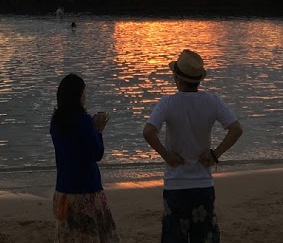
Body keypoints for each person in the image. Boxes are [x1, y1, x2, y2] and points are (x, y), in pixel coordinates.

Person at [143, 49, 243, 243]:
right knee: (204, 237)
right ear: (198, 80)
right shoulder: (212, 101)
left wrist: (166, 155)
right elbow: (236, 129)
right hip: (203, 183)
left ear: (177, 79)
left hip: (175, 184)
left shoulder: (167, 103)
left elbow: (148, 132)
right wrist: (215, 155)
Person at [50, 73, 119, 243]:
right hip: (87, 191)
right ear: (78, 96)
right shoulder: (84, 121)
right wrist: (98, 131)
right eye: (83, 93)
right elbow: (96, 153)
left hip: (63, 190)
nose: (85, 97)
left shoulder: (56, 122)